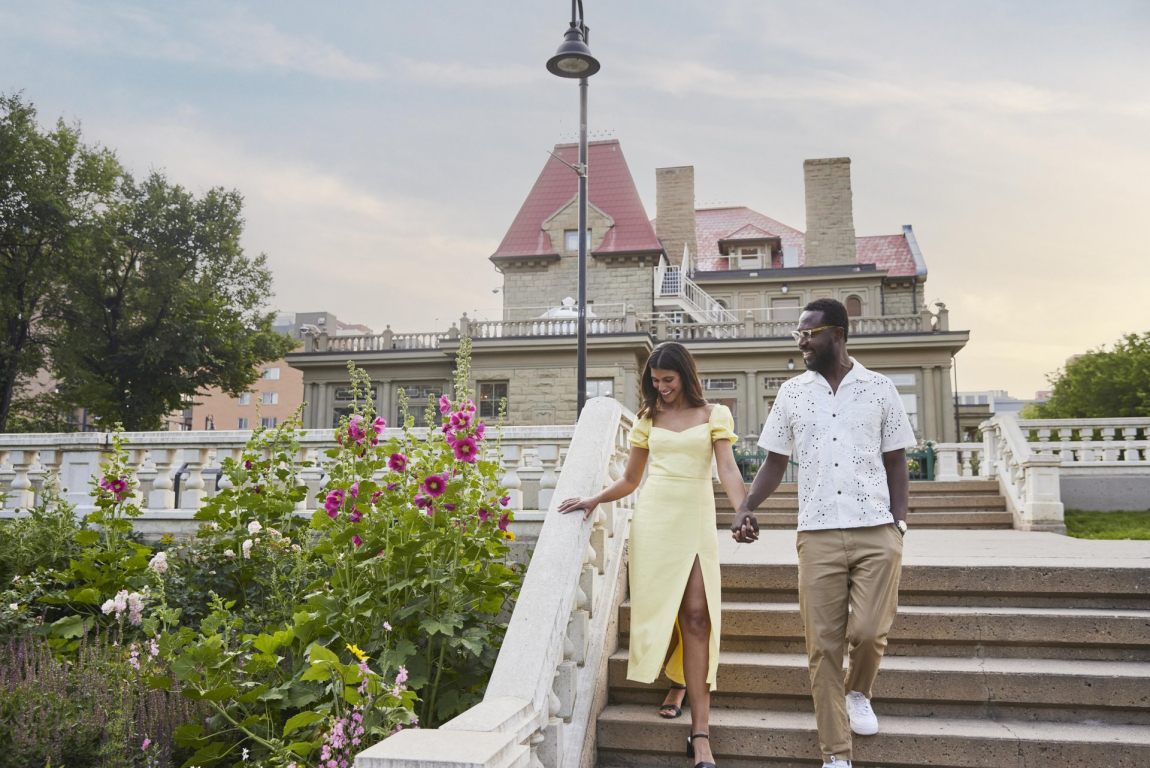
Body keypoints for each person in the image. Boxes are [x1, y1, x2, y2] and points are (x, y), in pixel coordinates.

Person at [731, 299, 915, 768]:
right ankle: (836, 754)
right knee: (823, 646)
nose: (801, 341)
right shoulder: (792, 394)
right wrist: (747, 507)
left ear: (836, 334)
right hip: (817, 534)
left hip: (876, 529)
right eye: (799, 332)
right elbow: (775, 461)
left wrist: (899, 522)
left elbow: (896, 459)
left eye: (808, 333)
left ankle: (859, 692)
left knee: (871, 632)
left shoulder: (879, 388)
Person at [560, 341, 745, 768]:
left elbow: (729, 469)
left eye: (668, 380)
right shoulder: (648, 419)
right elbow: (629, 479)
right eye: (655, 381)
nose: (661, 388)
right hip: (656, 522)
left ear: (686, 375)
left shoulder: (714, 415)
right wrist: (593, 499)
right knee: (667, 610)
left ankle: (700, 736)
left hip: (696, 521)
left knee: (698, 616)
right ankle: (679, 681)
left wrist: (744, 512)